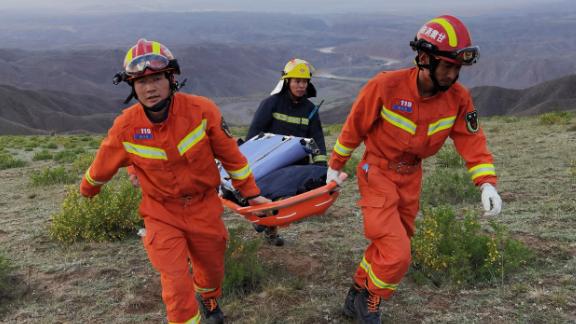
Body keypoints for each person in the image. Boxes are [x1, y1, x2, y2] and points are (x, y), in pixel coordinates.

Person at [325, 16, 502, 323]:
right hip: (377, 172)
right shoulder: (385, 86)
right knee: (397, 253)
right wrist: (334, 167)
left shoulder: (458, 99)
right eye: (447, 66)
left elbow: (472, 141)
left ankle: (356, 292)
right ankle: (370, 304)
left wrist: (487, 183)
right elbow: (354, 127)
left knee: (392, 244)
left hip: (411, 177)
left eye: (457, 67)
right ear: (424, 59)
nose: (453, 74)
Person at [80, 39, 269, 324]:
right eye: (140, 82)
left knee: (212, 268)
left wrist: (252, 195)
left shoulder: (202, 111)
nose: (149, 88)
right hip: (161, 212)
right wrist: (88, 190)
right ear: (132, 86)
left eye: (156, 78)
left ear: (171, 78)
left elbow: (232, 158)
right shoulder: (126, 126)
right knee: (176, 281)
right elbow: (102, 164)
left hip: (204, 207)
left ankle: (208, 299)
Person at [245, 58, 328, 246]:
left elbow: (317, 138)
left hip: (296, 164)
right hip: (270, 162)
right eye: (297, 81)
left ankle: (270, 228)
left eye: (305, 82)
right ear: (287, 82)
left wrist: (321, 165)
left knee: (283, 199)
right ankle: (266, 226)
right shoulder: (271, 104)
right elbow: (254, 134)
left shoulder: (310, 110)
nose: (301, 85)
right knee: (269, 196)